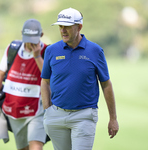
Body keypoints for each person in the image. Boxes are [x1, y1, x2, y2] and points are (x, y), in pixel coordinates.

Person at [41, 8, 119, 150]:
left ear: (79, 27)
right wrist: (47, 109)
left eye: (67, 27)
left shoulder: (95, 51)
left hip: (84, 116)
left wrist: (113, 118)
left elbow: (106, 84)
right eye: (61, 26)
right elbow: (45, 81)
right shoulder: (51, 50)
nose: (63, 30)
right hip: (56, 116)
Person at [0, 19, 48, 150]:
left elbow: (49, 77)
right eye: (27, 37)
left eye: (34, 38)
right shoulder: (12, 49)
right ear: (21, 34)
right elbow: (0, 74)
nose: (30, 42)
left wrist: (37, 56)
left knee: (36, 146)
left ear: (41, 35)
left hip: (37, 110)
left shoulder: (47, 51)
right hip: (13, 111)